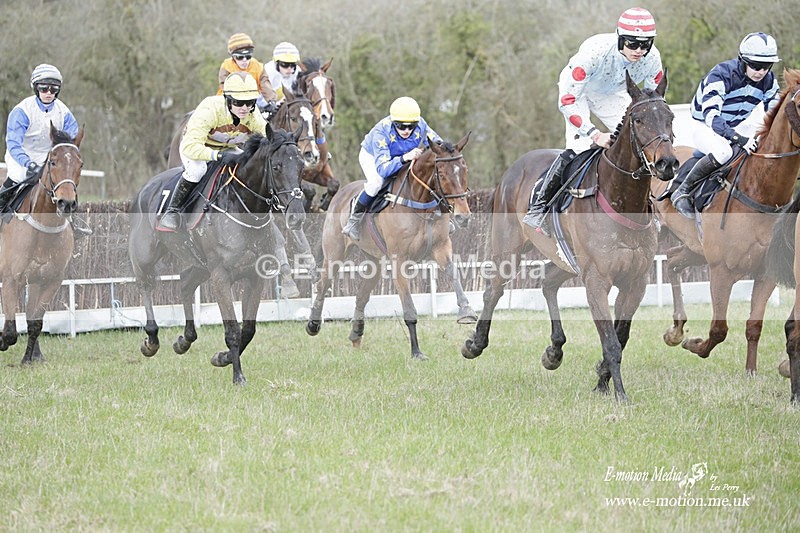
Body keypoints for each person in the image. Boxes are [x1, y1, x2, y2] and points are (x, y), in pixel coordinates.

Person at [523, 7, 663, 234]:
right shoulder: (595, 52)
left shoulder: (652, 58)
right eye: (632, 43)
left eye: (645, 44)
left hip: (610, 94)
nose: (639, 50)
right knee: (577, 148)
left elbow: (653, 103)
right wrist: (595, 134)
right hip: (577, 92)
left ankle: (647, 205)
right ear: (620, 38)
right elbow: (567, 101)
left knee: (639, 141)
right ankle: (539, 207)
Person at [671, 32, 781, 217]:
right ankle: (682, 190)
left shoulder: (769, 81)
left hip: (736, 124)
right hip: (705, 125)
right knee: (724, 153)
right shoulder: (721, 74)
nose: (761, 72)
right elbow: (711, 117)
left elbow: (775, 114)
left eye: (766, 66)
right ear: (742, 60)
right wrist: (738, 139)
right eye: (755, 65)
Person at [160, 72, 267, 230]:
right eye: (239, 102)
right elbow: (190, 147)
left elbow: (268, 139)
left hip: (226, 147)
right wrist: (217, 155)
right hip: (196, 146)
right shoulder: (210, 110)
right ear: (228, 100)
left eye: (250, 102)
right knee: (198, 170)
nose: (244, 108)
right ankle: (172, 211)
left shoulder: (253, 115)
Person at [342, 96, 442, 241]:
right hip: (373, 156)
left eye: (411, 126)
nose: (407, 130)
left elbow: (438, 143)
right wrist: (404, 158)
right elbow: (384, 170)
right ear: (394, 122)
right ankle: (354, 221)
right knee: (376, 183)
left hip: (401, 155)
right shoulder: (381, 132)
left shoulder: (420, 124)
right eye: (401, 126)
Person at [1, 63, 80, 213]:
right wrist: (28, 163)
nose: (49, 92)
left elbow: (73, 141)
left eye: (54, 89)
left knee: (66, 180)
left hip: (49, 157)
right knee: (17, 176)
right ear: (36, 88)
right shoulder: (22, 111)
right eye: (44, 88)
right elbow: (13, 143)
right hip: (21, 155)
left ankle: (74, 222)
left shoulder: (64, 112)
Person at [217, 33, 278, 115]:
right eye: (240, 57)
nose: (245, 60)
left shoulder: (258, 66)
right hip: (229, 102)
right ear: (233, 57)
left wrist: (272, 101)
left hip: (252, 101)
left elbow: (265, 84)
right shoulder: (226, 67)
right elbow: (226, 90)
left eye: (248, 56)